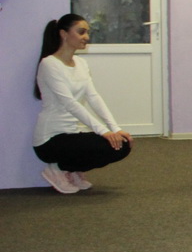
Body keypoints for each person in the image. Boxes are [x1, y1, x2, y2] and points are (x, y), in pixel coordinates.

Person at [32, 14, 133, 193]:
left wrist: (115, 129)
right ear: (64, 34)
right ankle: (58, 169)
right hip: (49, 140)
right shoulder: (49, 64)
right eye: (81, 32)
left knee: (121, 145)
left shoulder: (81, 63)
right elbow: (70, 104)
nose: (86, 37)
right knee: (109, 143)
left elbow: (93, 97)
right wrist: (103, 131)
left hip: (71, 135)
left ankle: (71, 169)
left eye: (87, 32)